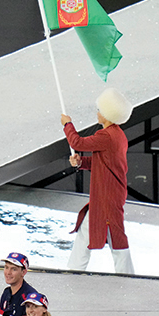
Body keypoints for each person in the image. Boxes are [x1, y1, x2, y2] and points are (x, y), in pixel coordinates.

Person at [62, 88, 134, 274]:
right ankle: (75, 268)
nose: (97, 113)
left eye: (100, 110)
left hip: (107, 195)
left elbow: (77, 143)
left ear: (108, 114)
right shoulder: (118, 135)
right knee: (89, 228)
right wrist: (81, 162)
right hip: (108, 193)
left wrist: (67, 125)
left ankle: (126, 273)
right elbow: (103, 162)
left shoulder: (106, 136)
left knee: (114, 234)